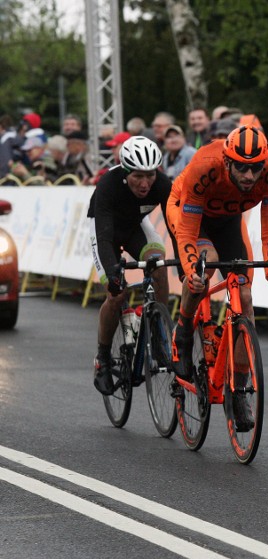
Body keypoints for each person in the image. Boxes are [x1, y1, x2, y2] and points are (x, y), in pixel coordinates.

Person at [167, 125, 268, 431]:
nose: (250, 176)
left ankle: (239, 390)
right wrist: (192, 272)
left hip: (228, 221)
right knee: (205, 265)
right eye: (241, 168)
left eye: (255, 168)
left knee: (245, 297)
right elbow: (186, 231)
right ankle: (183, 331)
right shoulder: (204, 166)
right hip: (188, 213)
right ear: (227, 162)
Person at [88, 136, 172, 395]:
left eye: (150, 175)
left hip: (136, 227)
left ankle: (158, 333)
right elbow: (103, 238)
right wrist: (113, 274)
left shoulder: (163, 185)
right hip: (105, 231)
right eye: (138, 176)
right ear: (125, 172)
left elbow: (175, 228)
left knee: (159, 264)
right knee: (117, 293)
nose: (145, 183)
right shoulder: (108, 186)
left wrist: (185, 258)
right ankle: (102, 358)